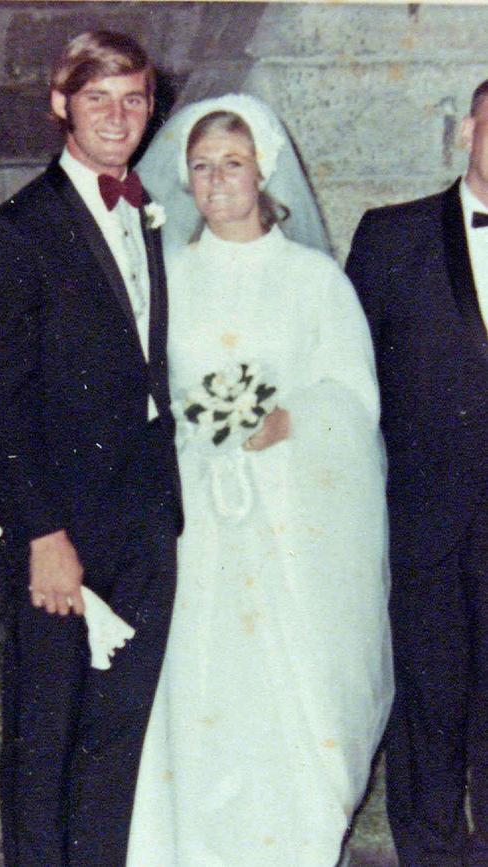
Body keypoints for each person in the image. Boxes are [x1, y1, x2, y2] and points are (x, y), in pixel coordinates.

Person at [128, 93, 393, 866]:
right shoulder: (166, 276)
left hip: (289, 519)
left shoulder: (314, 280)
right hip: (193, 519)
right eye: (202, 167)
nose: (216, 181)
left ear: (263, 171)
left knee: (289, 687)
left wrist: (288, 422)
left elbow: (353, 394)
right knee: (198, 683)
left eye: (233, 164)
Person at [0, 30, 181, 866]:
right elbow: (1, 404)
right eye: (98, 99)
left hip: (146, 522)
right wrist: (44, 536)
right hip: (61, 535)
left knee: (115, 737)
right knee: (44, 737)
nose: (118, 117)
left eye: (133, 99)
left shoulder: (151, 216)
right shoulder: (18, 233)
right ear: (60, 106)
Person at [346, 80, 488, 866]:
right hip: (423, 517)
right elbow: (347, 379)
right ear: (468, 128)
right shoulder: (391, 236)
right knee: (428, 701)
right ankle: (430, 852)